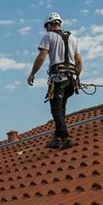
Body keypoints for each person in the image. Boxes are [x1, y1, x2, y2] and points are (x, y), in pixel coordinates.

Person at [28, 12, 83, 150]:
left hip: (58, 79)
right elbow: (79, 61)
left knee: (56, 109)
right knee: (61, 109)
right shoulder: (73, 38)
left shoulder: (49, 36)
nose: (46, 30)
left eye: (46, 27)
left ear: (49, 25)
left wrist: (32, 74)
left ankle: (65, 137)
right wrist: (77, 77)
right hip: (71, 81)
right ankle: (57, 138)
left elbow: (41, 57)